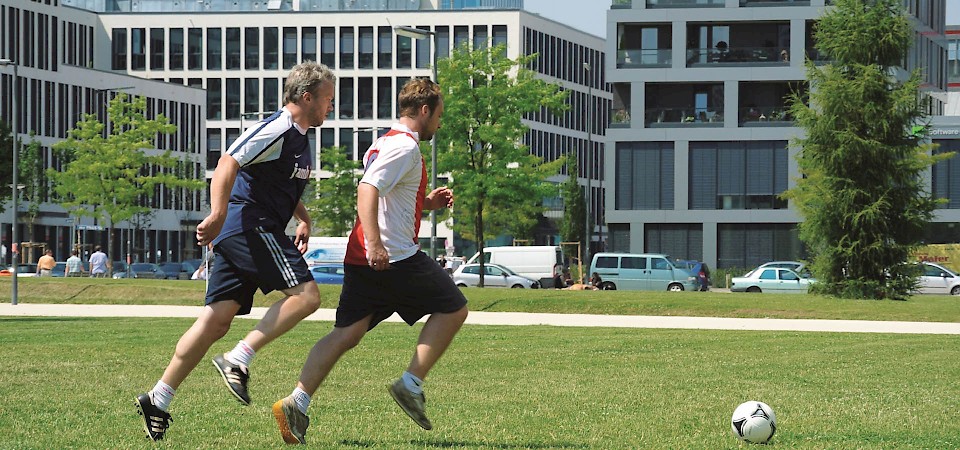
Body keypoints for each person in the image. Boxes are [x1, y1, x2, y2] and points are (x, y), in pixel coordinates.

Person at [134, 61, 336, 442]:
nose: (332, 107)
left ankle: (157, 399)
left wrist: (303, 217)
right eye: (328, 99)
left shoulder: (299, 136)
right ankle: (238, 358)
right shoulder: (277, 127)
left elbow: (276, 182)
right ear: (306, 97)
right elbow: (229, 160)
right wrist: (217, 213)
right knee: (307, 296)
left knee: (215, 321)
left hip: (245, 228)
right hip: (248, 225)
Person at [272, 78, 468, 445]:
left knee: (347, 333)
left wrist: (426, 203)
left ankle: (296, 402)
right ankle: (411, 384)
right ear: (424, 111)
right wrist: (377, 244)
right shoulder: (405, 147)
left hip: (363, 257)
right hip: (393, 256)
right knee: (455, 309)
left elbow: (389, 193)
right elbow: (368, 189)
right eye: (439, 115)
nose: (439, 124)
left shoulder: (384, 141)